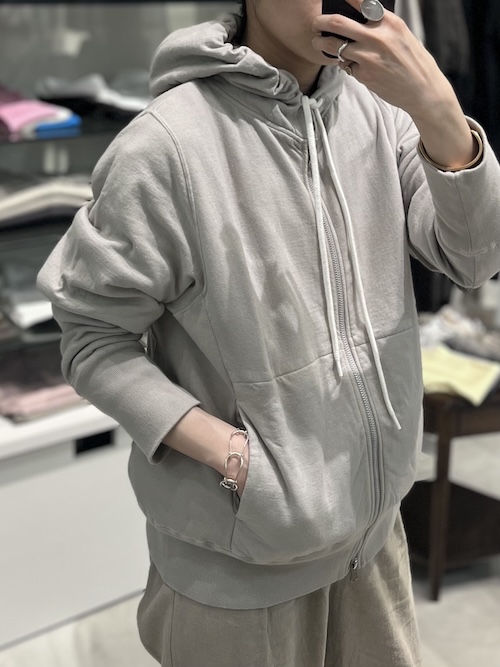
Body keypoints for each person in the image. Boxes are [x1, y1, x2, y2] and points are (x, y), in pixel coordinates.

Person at [37, 0, 500, 665]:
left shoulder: (383, 113)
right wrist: (234, 457)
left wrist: (439, 110)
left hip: (375, 544)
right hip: (240, 576)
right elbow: (91, 335)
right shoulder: (168, 145)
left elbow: (474, 257)